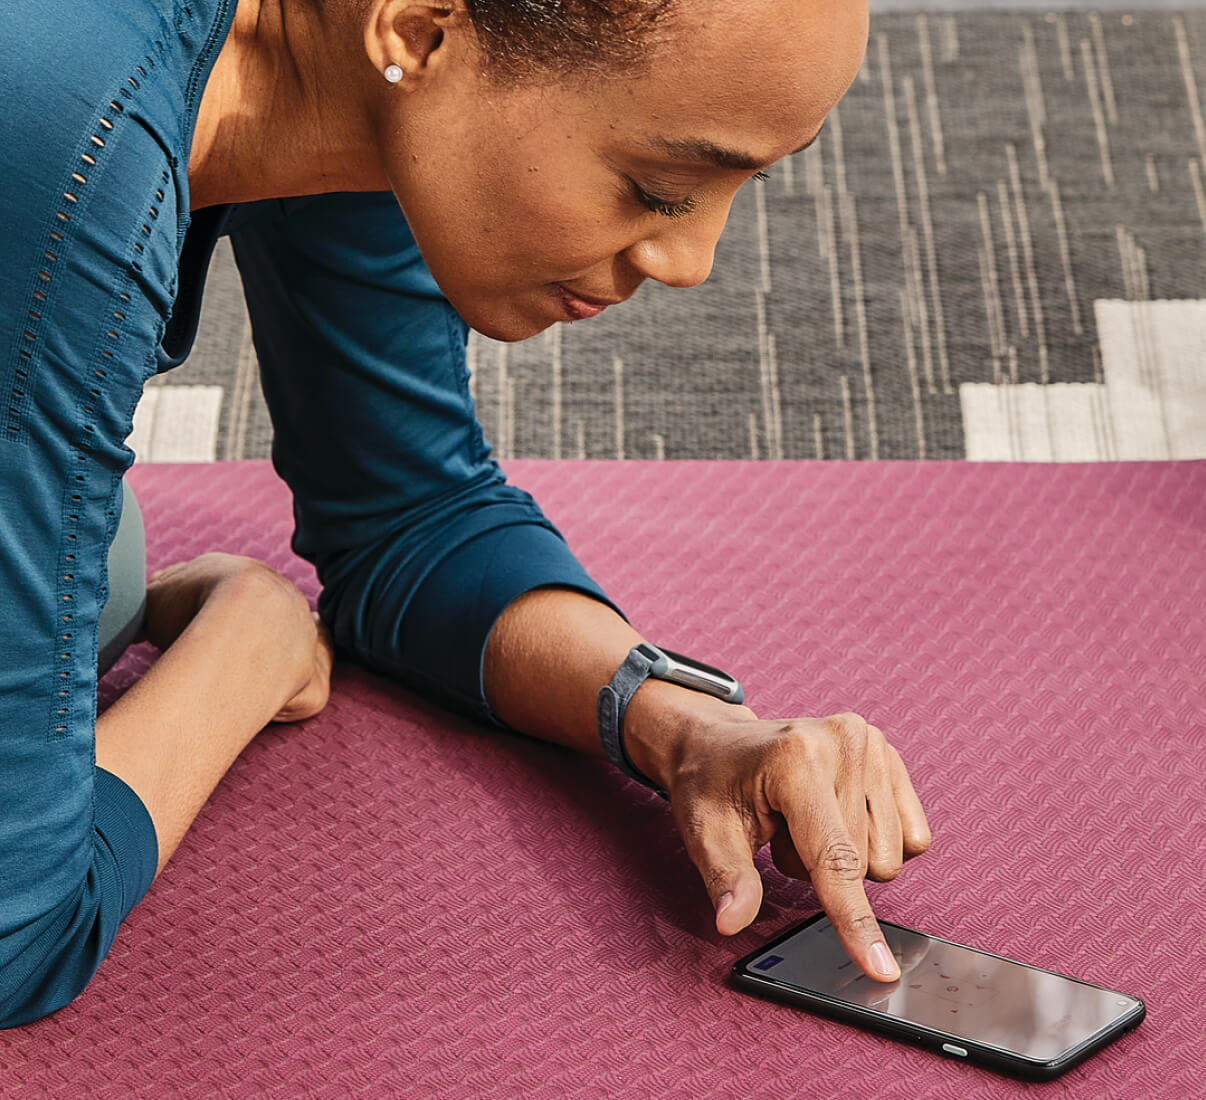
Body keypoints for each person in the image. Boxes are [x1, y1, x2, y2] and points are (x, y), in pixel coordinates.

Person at [0, 0, 931, 1028]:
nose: (692, 258)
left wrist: (687, 728)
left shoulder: (360, 70)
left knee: (103, 571)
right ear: (421, 32)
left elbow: (412, 511)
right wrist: (246, 644)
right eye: (659, 186)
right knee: (103, 595)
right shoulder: (65, 141)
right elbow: (13, 932)